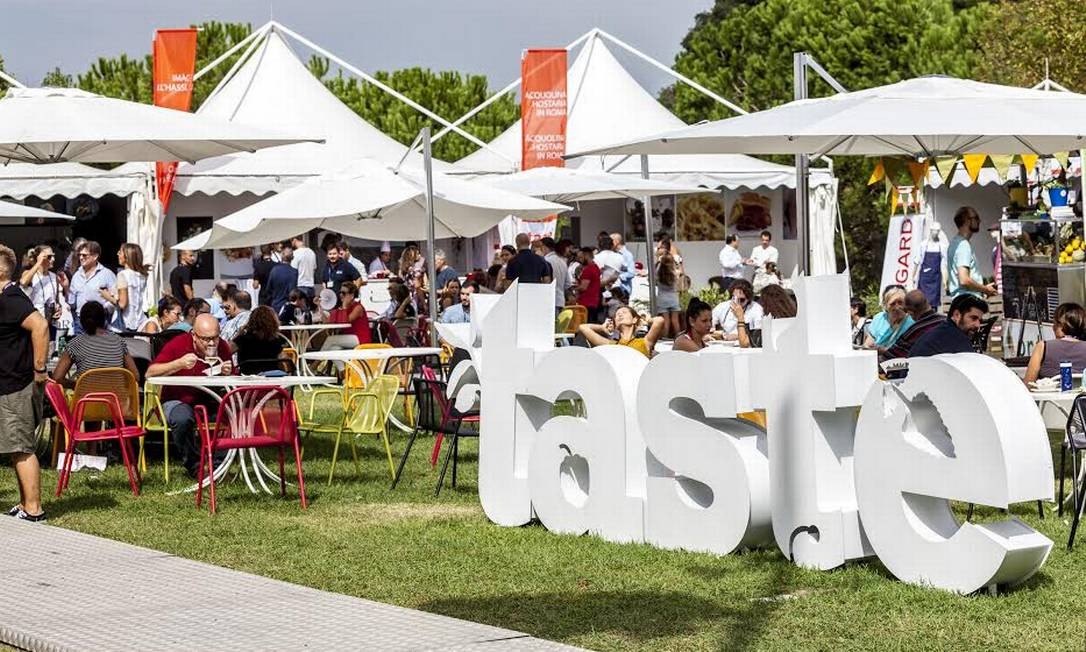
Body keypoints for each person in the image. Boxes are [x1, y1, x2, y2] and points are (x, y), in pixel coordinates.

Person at [147, 313, 234, 477]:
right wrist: (178, 363)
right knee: (182, 418)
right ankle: (196, 466)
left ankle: (218, 466)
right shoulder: (178, 344)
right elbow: (150, 373)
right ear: (193, 335)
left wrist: (226, 372)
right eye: (205, 339)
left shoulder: (221, 346)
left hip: (209, 400)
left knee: (233, 414)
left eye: (215, 338)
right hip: (177, 399)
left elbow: (232, 379)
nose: (211, 343)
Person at [0, 243, 48, 521]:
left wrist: (40, 368)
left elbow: (40, 326)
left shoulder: (12, 298)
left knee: (21, 447)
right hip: (8, 383)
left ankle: (34, 509)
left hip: (16, 384)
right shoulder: (8, 297)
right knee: (13, 447)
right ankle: (24, 503)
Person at [51, 302, 139, 388]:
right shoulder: (118, 341)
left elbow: (57, 378)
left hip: (87, 400)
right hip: (117, 400)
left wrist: (77, 385)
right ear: (104, 320)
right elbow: (135, 376)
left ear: (81, 321)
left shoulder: (74, 344)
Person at [909, 294, 988, 358]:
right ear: (957, 315)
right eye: (973, 318)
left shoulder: (941, 332)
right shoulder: (958, 340)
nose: (978, 325)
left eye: (980, 321)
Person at [1025, 303, 1086, 383]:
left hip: (1049, 395)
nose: (1053, 327)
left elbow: (1028, 383)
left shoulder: (1043, 347)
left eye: (1055, 324)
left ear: (1061, 325)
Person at [65, 240, 116, 335]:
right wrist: (66, 287)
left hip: (101, 322)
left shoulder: (107, 274)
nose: (81, 258)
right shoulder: (76, 275)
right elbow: (71, 302)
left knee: (99, 349)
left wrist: (105, 310)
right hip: (80, 323)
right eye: (79, 255)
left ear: (95, 256)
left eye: (84, 255)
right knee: (80, 349)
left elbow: (115, 297)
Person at [578, 305, 666, 358]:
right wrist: (601, 327)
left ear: (634, 320)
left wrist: (647, 319)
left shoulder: (644, 342)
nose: (620, 314)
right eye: (617, 315)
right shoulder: (611, 345)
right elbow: (583, 327)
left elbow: (659, 320)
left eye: (624, 312)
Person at [947, 206, 997, 298]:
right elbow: (964, 279)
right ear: (967, 220)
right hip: (968, 300)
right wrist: (985, 289)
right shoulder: (963, 245)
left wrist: (983, 288)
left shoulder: (955, 243)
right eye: (976, 218)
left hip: (963, 298)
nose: (979, 221)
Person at [99, 242, 149, 332]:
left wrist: (107, 296)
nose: (117, 254)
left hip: (124, 323)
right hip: (140, 321)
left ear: (127, 256)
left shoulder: (123, 275)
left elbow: (122, 304)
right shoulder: (142, 276)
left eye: (120, 252)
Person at [882, 290, 945, 360]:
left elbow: (892, 356)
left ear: (910, 312)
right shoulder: (946, 322)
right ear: (927, 303)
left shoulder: (914, 331)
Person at [232, 306, 288, 375]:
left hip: (248, 379)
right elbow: (283, 360)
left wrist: (238, 334)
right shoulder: (275, 340)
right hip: (272, 380)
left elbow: (227, 350)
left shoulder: (243, 338)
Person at [321, 282, 371, 351]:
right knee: (334, 349)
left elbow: (345, 322)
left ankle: (318, 361)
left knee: (330, 340)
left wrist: (344, 306)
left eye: (344, 293)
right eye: (340, 292)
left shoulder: (358, 308)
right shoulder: (341, 308)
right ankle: (326, 361)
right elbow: (327, 322)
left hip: (360, 338)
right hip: (348, 337)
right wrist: (319, 307)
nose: (341, 295)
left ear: (351, 295)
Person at [864, 286, 913, 353]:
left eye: (900, 302)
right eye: (892, 304)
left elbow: (910, 351)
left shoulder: (912, 322)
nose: (897, 307)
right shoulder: (879, 318)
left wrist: (884, 351)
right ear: (885, 305)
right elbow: (867, 345)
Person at [913, 221, 948, 310]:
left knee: (933, 303)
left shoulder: (942, 246)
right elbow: (917, 261)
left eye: (937, 231)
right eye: (934, 230)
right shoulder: (923, 245)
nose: (935, 232)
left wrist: (945, 280)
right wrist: (912, 276)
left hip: (935, 278)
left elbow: (944, 264)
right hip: (924, 278)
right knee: (921, 301)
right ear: (930, 231)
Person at [655, 254, 682, 338]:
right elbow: (681, 272)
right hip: (673, 298)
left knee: (666, 321)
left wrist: (658, 261)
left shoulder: (658, 272)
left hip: (662, 298)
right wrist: (679, 262)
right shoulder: (674, 273)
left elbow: (653, 273)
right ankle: (678, 337)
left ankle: (664, 337)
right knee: (675, 320)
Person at [540, 237, 568, 314]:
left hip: (549, 299)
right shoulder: (562, 261)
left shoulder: (545, 261)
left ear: (544, 247)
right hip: (561, 300)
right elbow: (567, 284)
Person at [266, 247, 298, 314]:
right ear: (292, 258)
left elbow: (268, 289)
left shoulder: (274, 270)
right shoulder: (294, 272)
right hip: (287, 307)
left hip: (275, 305)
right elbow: (292, 292)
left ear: (281, 256)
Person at [575, 247, 602, 322]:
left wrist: (574, 289)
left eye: (581, 257)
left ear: (586, 256)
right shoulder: (595, 267)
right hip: (594, 302)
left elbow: (583, 287)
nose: (579, 260)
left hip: (586, 303)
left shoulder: (588, 269)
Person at [290, 235, 316, 299]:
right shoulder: (312, 252)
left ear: (294, 240)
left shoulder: (295, 254)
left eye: (291, 241)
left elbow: (293, 271)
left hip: (300, 286)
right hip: (311, 286)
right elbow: (314, 269)